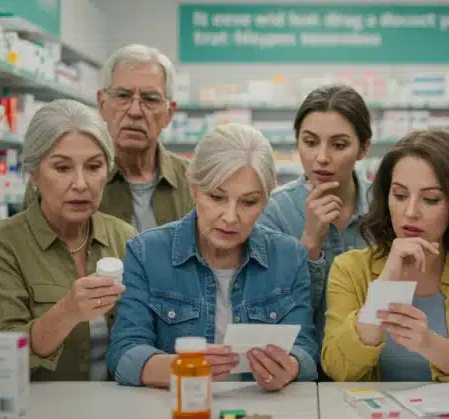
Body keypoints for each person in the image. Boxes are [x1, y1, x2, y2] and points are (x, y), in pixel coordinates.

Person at [107, 123, 319, 390]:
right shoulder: (146, 252)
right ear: (193, 189)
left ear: (266, 200)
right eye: (217, 197)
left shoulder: (290, 257)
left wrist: (291, 366)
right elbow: (124, 354)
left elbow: (306, 350)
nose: (230, 218)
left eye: (248, 202)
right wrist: (181, 368)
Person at [321, 129, 449, 382]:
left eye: (431, 199)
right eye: (399, 195)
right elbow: (337, 369)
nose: (410, 212)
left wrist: (429, 344)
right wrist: (386, 283)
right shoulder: (349, 269)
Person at [0, 99, 138, 381]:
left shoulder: (124, 237)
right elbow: (4, 357)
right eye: (62, 168)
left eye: (93, 166)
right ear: (34, 174)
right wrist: (68, 312)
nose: (80, 183)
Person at [23, 44, 193, 232]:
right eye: (123, 96)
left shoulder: (195, 183)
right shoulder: (51, 180)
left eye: (151, 99)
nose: (135, 111)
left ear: (169, 113)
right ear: (102, 104)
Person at [258, 84, 372, 340]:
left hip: (376, 370)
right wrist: (309, 244)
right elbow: (270, 314)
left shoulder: (386, 206)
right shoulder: (274, 211)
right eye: (310, 142)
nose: (321, 157)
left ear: (364, 149)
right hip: (301, 365)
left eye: (339, 145)